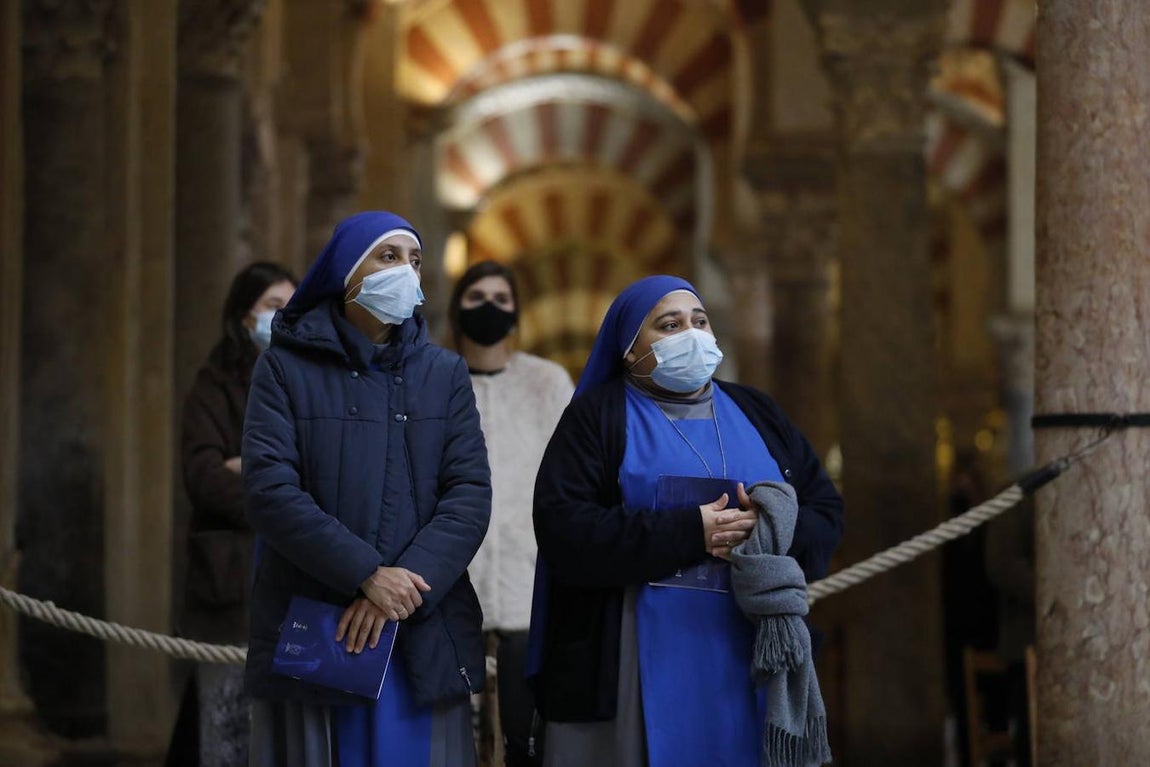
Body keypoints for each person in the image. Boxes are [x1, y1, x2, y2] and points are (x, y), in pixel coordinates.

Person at [527, 275, 844, 767]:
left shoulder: (757, 410)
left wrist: (769, 527)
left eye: (700, 321)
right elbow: (564, 528)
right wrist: (690, 532)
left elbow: (824, 508)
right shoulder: (598, 418)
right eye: (669, 325)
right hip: (632, 657)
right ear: (630, 349)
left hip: (749, 650)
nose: (691, 334)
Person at [242, 211, 492, 767]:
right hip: (322, 619)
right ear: (345, 271)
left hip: (422, 622)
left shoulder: (445, 373)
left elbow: (469, 493)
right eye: (388, 257)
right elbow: (269, 489)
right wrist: (365, 574)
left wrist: (399, 591)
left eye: (415, 260)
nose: (406, 270)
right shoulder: (284, 369)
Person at [447, 261, 573, 765]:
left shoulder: (548, 381)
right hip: (451, 586)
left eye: (502, 298)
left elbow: (572, 475)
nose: (490, 308)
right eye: (477, 297)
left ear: (517, 310)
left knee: (526, 739)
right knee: (454, 740)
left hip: (530, 585)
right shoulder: (438, 378)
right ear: (457, 308)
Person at [173, 261, 297, 767]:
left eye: (292, 308)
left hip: (295, 588)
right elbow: (203, 476)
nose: (283, 318)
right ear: (245, 316)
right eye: (273, 307)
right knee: (223, 734)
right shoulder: (213, 384)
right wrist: (282, 491)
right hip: (228, 586)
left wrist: (249, 468)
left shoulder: (307, 382)